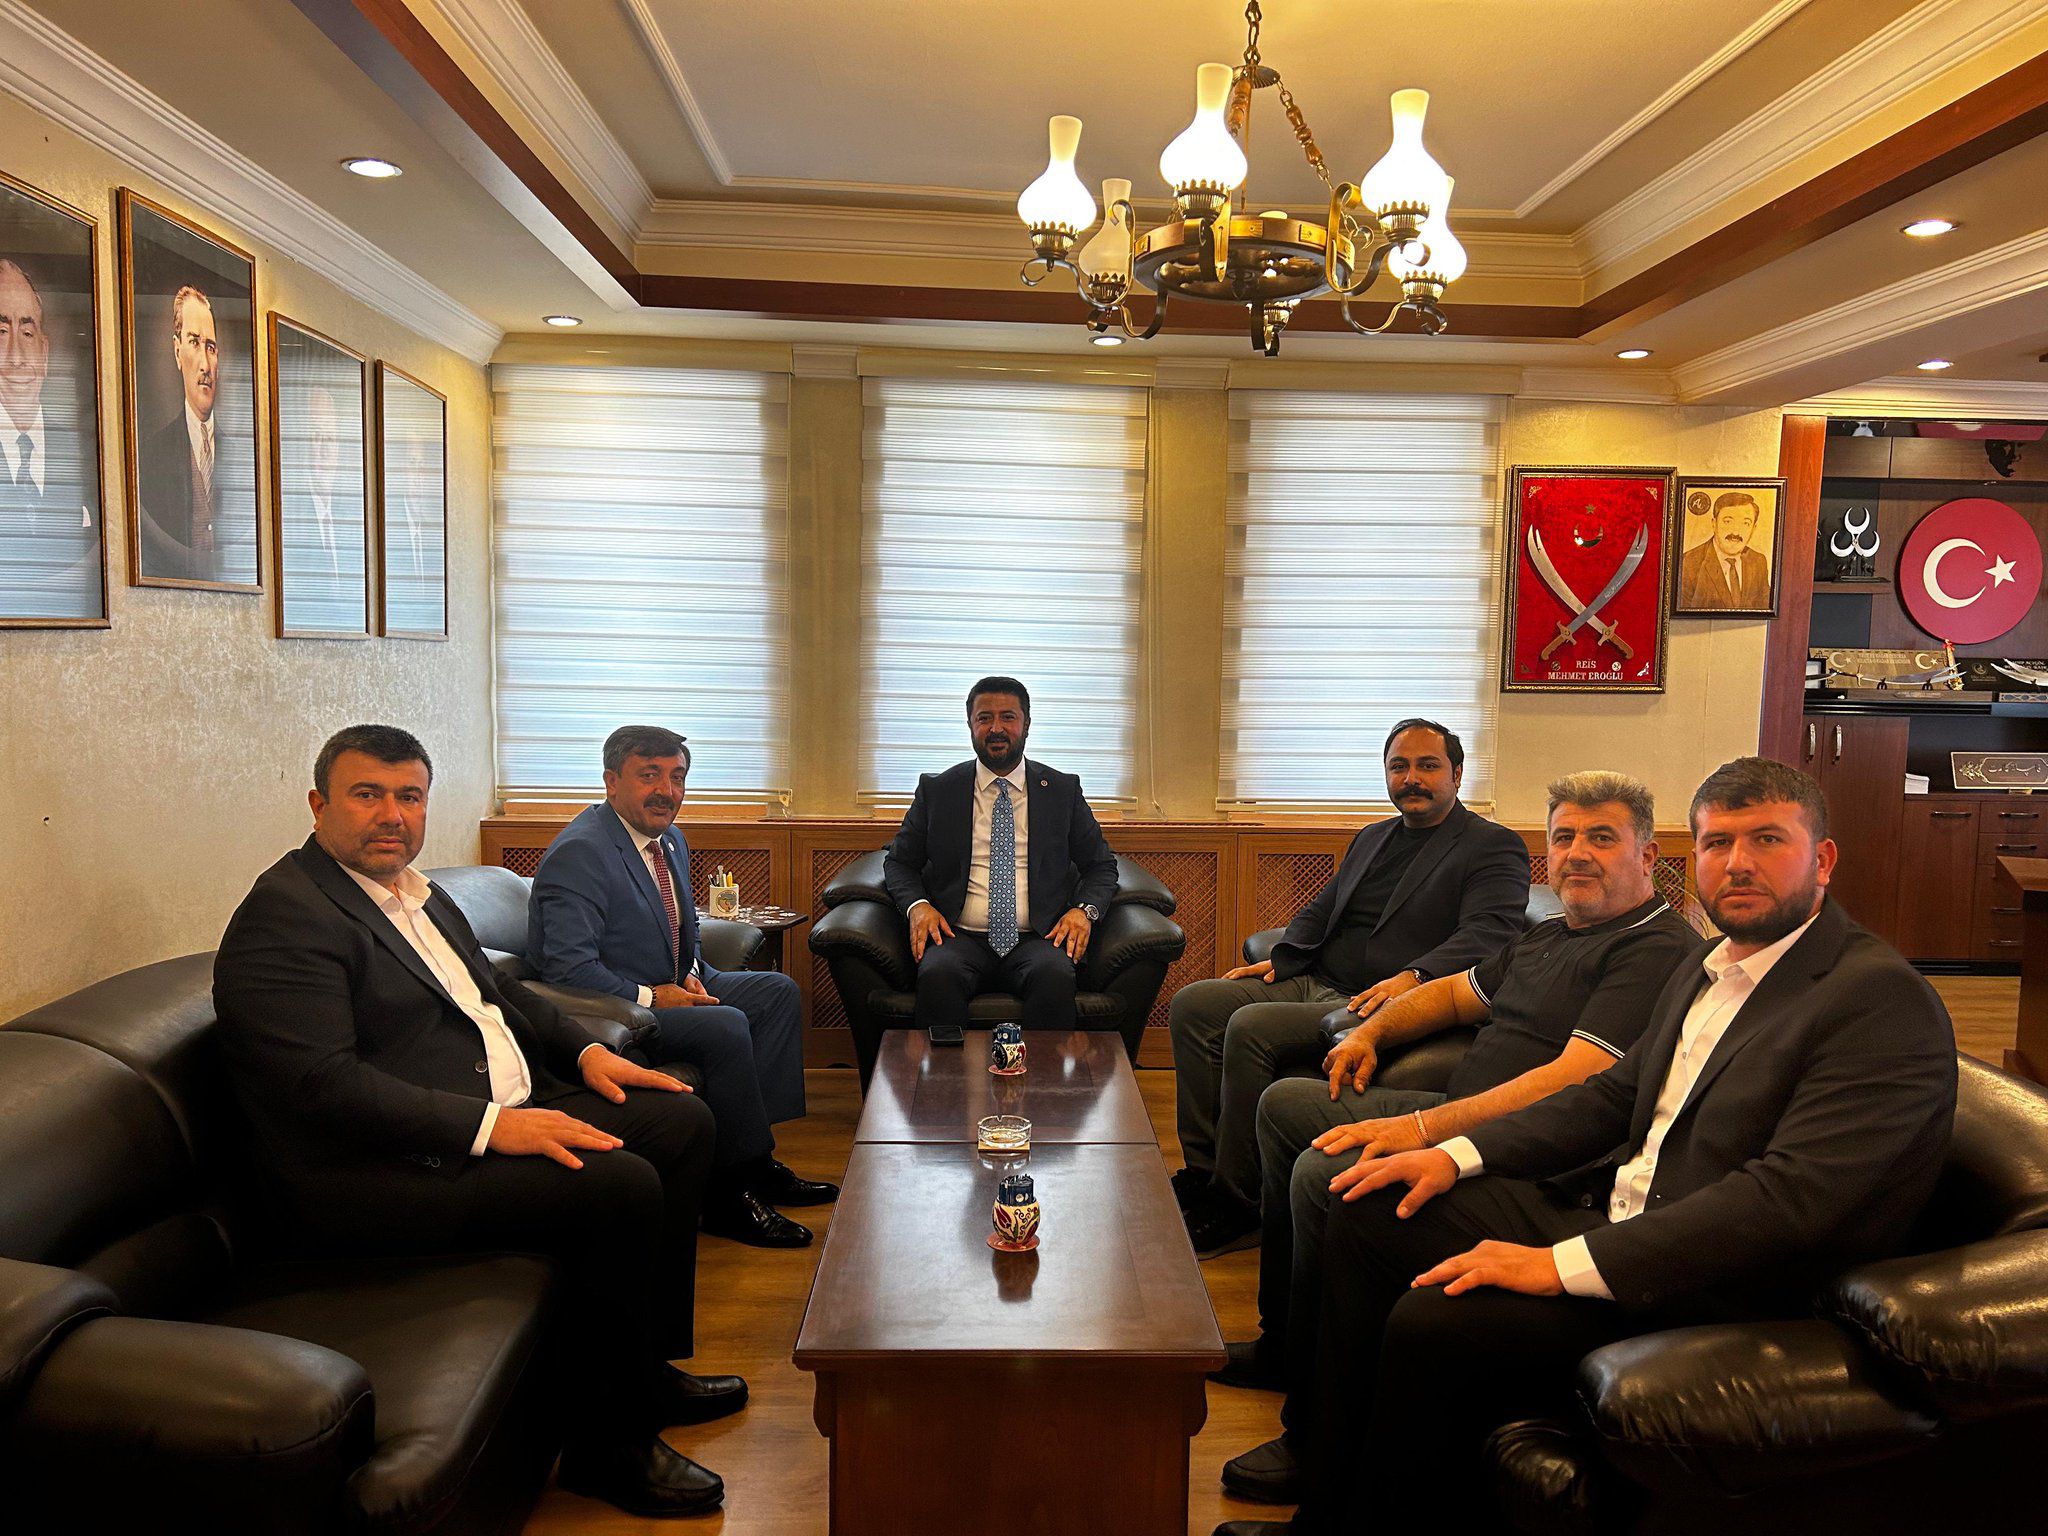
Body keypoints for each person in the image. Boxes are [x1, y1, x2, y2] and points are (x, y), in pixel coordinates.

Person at [1213, 757, 1957, 1536]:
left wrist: (1557, 1264)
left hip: (1713, 1284)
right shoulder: (1711, 966)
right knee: (1371, 1201)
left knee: (1435, 1319)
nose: (1737, 863)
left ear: (1823, 859)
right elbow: (1609, 1098)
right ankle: (1325, 1494)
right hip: (1617, 1218)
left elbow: (1788, 1202)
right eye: (1717, 843)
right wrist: (1453, 1155)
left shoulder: (1875, 996)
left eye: (1767, 840)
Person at [214, 724, 744, 1518]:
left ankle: (645, 1369)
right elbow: (319, 1087)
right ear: (319, 806)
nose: (392, 815)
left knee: (681, 1122)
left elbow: (502, 994)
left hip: (490, 1109)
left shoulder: (416, 892)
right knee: (620, 1186)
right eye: (367, 795)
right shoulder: (286, 917)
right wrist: (495, 1127)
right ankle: (608, 1448)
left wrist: (586, 1054)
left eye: (409, 796)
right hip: (378, 1171)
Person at [1212, 771, 1696, 1502]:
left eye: (1602, 838)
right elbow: (1452, 994)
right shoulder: (1550, 935)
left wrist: (1422, 1129)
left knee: (1325, 1171)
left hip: (1525, 1152)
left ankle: (1314, 1432)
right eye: (1564, 837)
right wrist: (1371, 1032)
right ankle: (1287, 1344)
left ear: (1648, 853)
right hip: (1455, 1108)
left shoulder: (1652, 948)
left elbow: (1574, 1081)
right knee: (1286, 1106)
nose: (1578, 853)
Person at [1169, 719, 1529, 1257]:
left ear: (1457, 774)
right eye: (1399, 766)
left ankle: (1240, 1205)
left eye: (1428, 766)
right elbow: (1322, 911)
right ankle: (1202, 1174)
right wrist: (1281, 960)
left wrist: (1415, 976)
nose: (1412, 778)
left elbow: (1489, 934)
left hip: (1380, 1003)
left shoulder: (1492, 846)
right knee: (1195, 1003)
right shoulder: (1373, 837)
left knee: (1250, 1027)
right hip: (1316, 980)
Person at [529, 724, 835, 1248]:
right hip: (618, 1007)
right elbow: (565, 968)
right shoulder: (581, 853)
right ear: (611, 782)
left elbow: (681, 921)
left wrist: (690, 968)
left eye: (677, 777)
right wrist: (652, 996)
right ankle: (725, 1196)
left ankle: (756, 1161)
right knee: (725, 1024)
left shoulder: (668, 838)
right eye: (649, 775)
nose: (667, 791)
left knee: (776, 993)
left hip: (677, 980)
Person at [877, 675, 1118, 1083]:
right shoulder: (939, 790)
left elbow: (1101, 866)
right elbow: (899, 862)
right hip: (958, 936)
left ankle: (1043, 1095)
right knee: (937, 974)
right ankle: (942, 1095)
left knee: (1055, 975)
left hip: (1038, 937)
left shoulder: (1061, 790)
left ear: (1027, 723)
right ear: (970, 725)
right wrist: (918, 907)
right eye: (984, 718)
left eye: (1008, 717)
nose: (996, 728)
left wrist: (1084, 911)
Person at [0, 256, 98, 618]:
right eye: (1, 333)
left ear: (44, 351)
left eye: (27, 333)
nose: (16, 357)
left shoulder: (88, 454)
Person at [137, 283, 225, 581]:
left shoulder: (242, 456)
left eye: (210, 347)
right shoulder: (152, 456)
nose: (205, 365)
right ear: (177, 352)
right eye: (194, 343)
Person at [279, 381, 366, 633]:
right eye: (317, 437)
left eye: (331, 438)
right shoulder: (290, 520)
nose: (326, 450)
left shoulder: (354, 522)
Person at [1678, 490, 1771, 609]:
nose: (1736, 532)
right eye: (1728, 521)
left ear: (1754, 528)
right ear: (1714, 523)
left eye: (1745, 523)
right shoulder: (1688, 563)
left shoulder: (1758, 561)